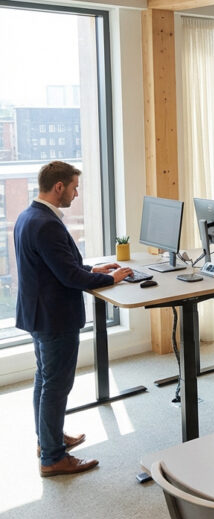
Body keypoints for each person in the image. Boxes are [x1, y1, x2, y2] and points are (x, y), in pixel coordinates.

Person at [15, 161, 133, 477]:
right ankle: (53, 457)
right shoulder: (47, 224)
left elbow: (55, 266)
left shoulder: (29, 215)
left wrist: (94, 270)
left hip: (38, 312)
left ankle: (48, 440)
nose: (76, 194)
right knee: (56, 385)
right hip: (54, 317)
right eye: (74, 187)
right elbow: (67, 276)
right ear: (59, 187)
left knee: (45, 379)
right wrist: (113, 280)